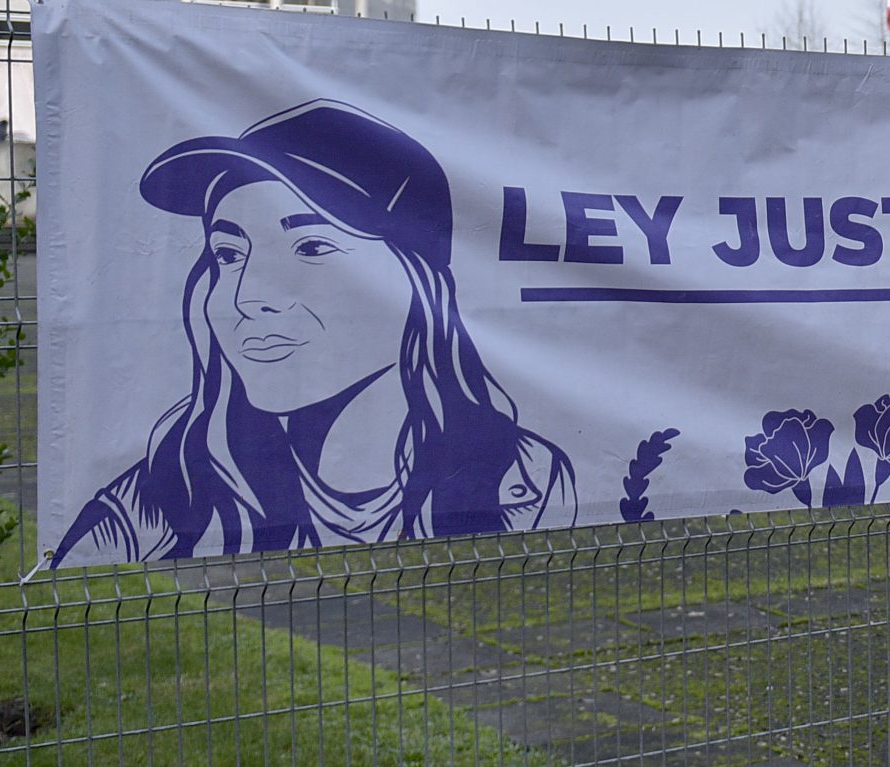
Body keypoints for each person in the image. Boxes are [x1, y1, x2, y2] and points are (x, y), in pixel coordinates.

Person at [55, 99, 575, 564]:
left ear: (416, 281)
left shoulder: (525, 478)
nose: (245, 298)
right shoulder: (165, 495)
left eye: (311, 248)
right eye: (229, 255)